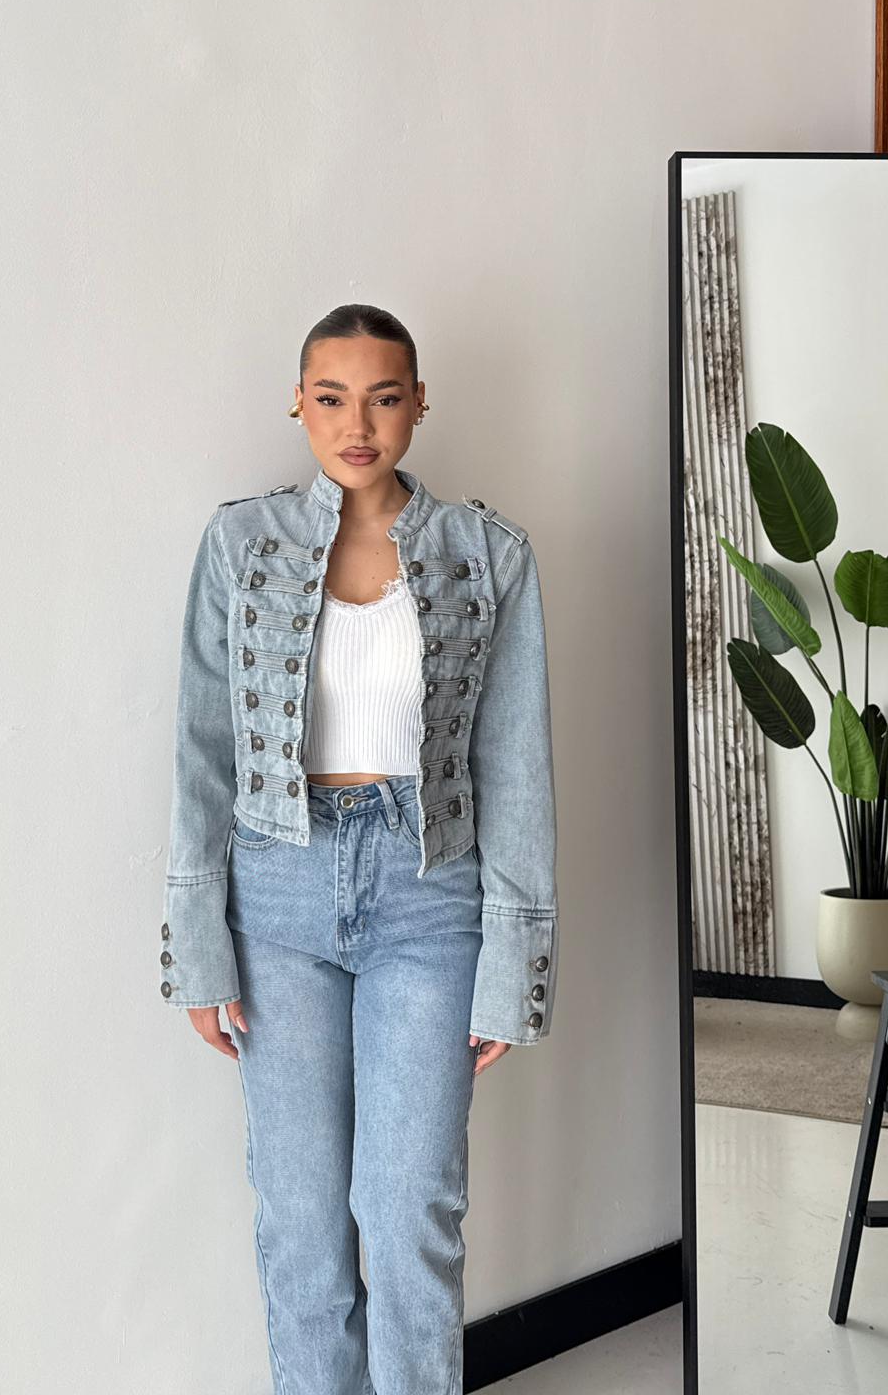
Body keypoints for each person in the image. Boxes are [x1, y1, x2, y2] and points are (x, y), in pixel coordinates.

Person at [161, 303, 559, 1395]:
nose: (358, 423)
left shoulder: (489, 556)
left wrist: (514, 963)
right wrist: (197, 945)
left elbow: (515, 766)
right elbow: (202, 750)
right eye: (331, 397)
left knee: (409, 1208)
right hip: (277, 893)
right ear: (297, 402)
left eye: (384, 397)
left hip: (430, 897)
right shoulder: (240, 547)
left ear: (419, 403)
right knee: (298, 1219)